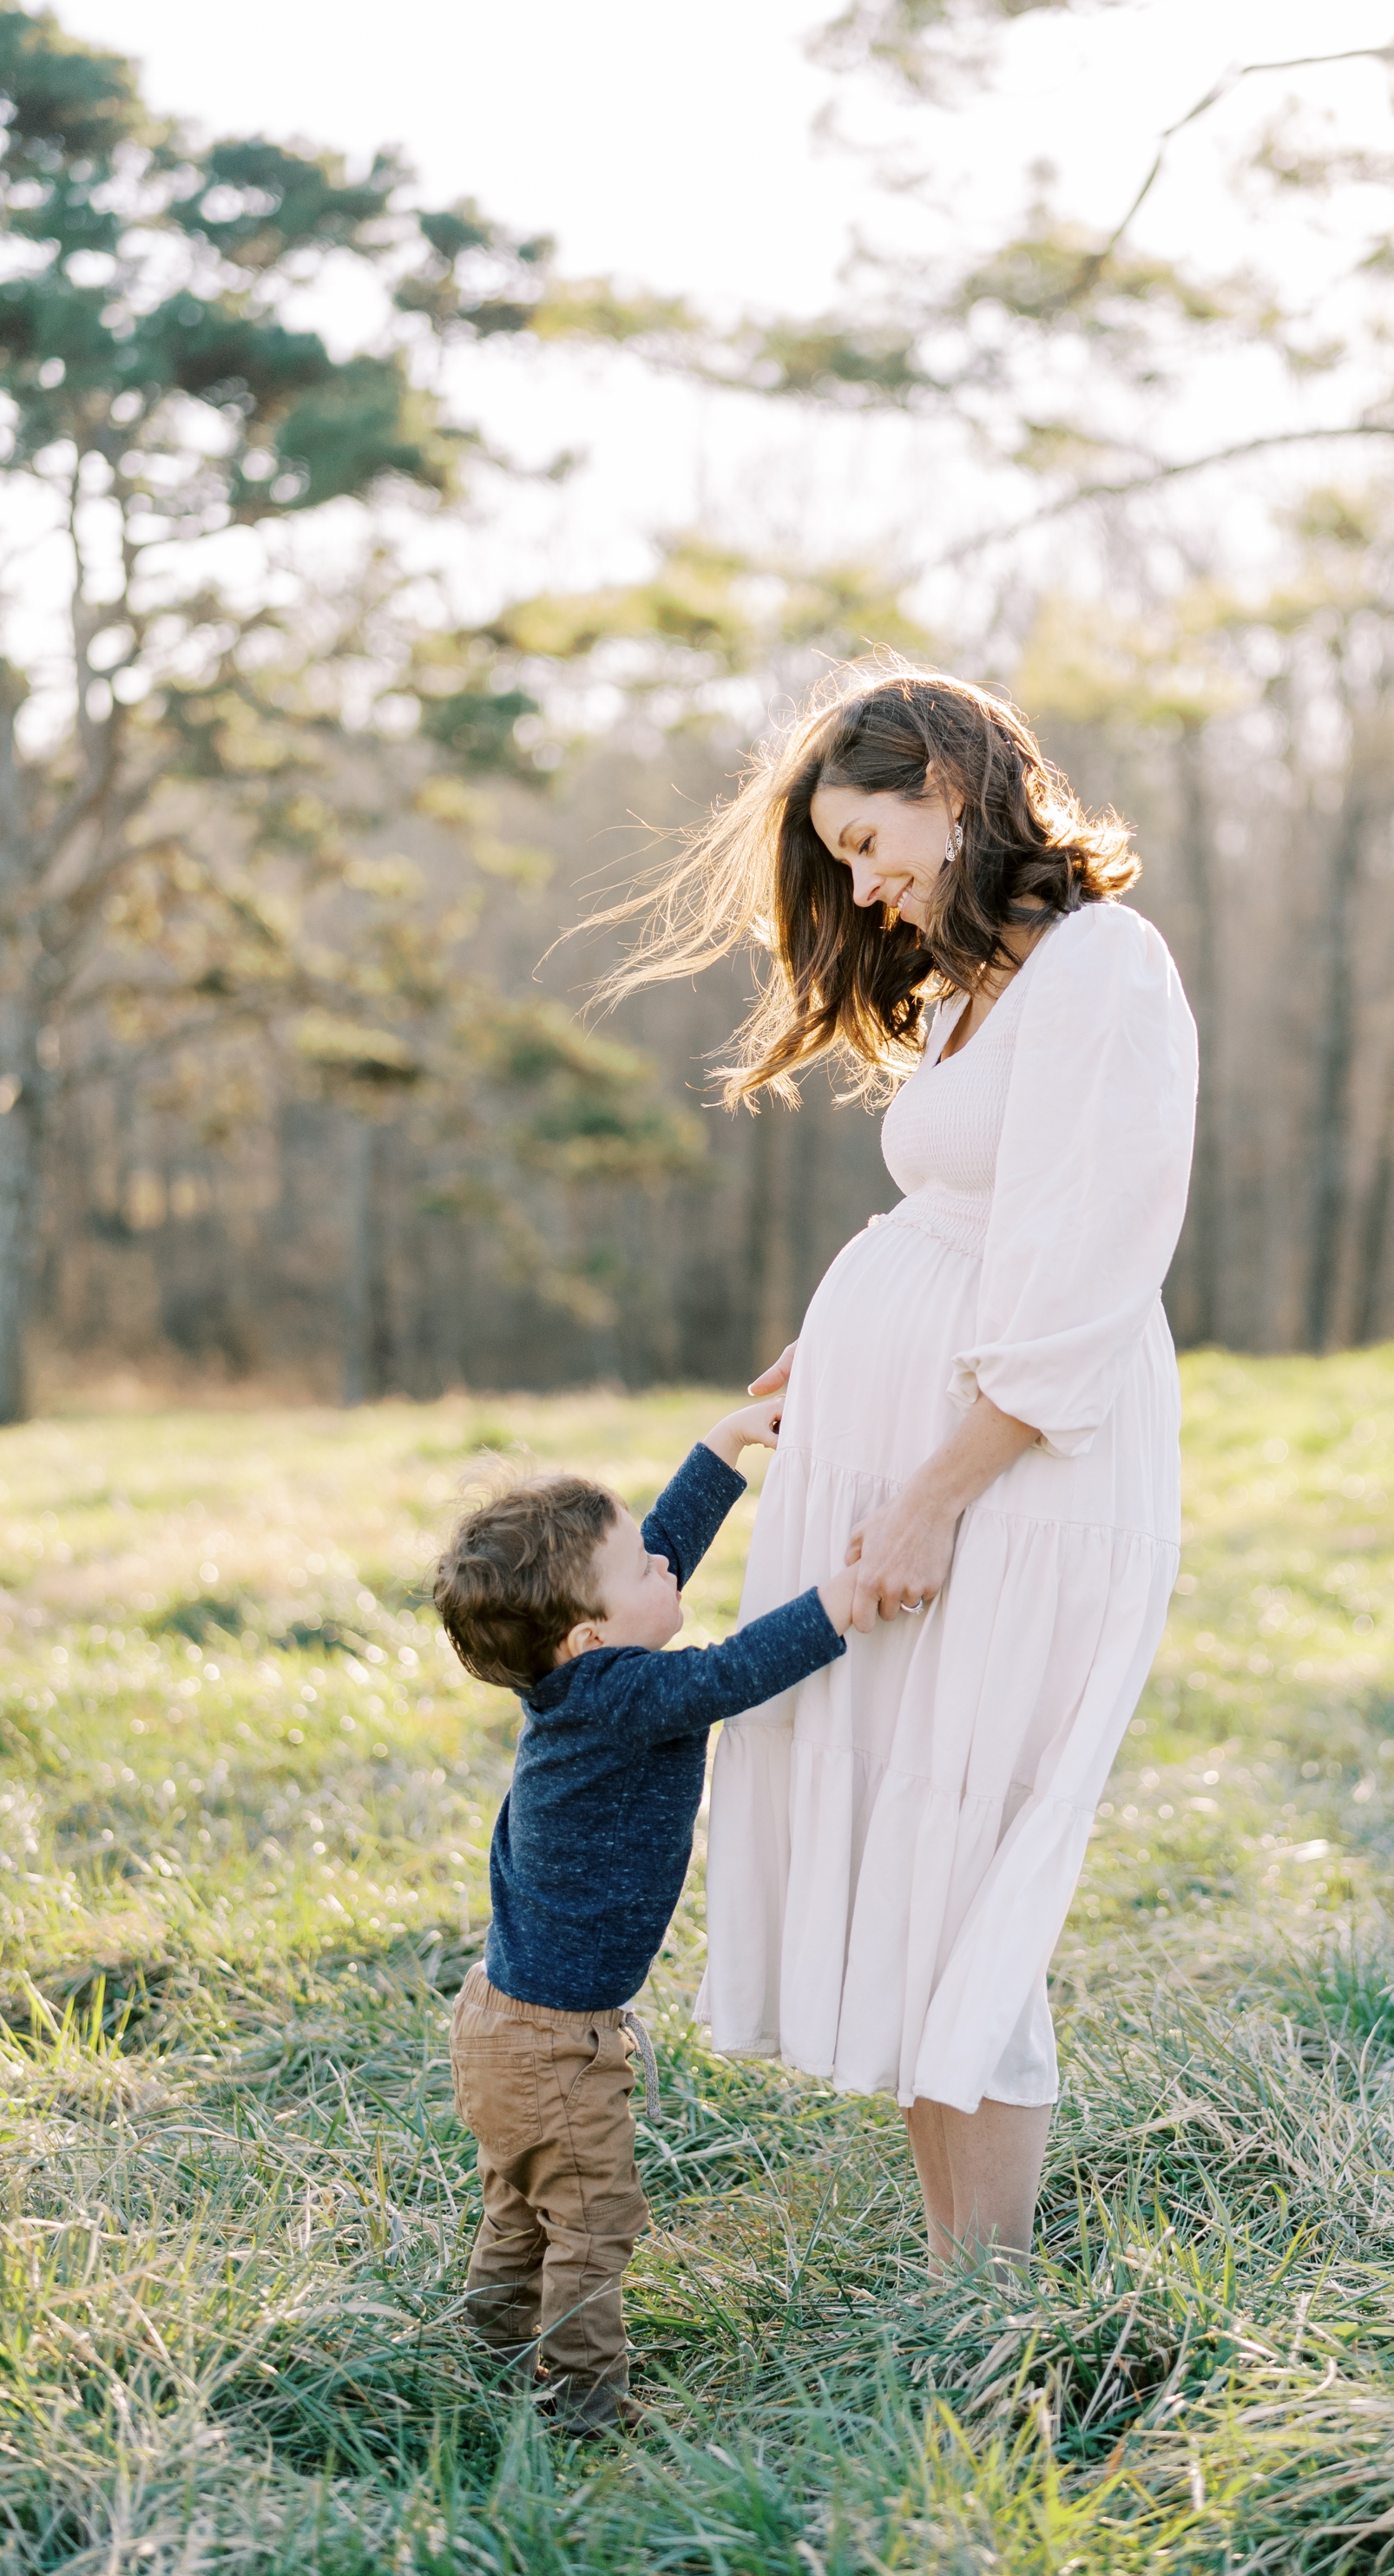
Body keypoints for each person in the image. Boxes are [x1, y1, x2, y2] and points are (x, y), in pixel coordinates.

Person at [590, 666, 1198, 2275]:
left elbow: (1081, 1271)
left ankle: (988, 2294)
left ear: (949, 778)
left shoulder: (1100, 972)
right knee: (917, 1858)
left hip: (1013, 1472)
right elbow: (954, 1216)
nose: (861, 885)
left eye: (869, 840)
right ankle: (953, 2272)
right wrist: (835, 1352)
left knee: (977, 1864)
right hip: (898, 1442)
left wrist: (931, 1486)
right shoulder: (966, 988)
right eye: (842, 859)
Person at [431, 1399, 866, 2431]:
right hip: (551, 2044)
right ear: (590, 1635)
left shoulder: (583, 1678)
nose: (663, 1570)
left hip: (504, 2024)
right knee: (591, 2221)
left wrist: (725, 1448)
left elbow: (657, 1554)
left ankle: (483, 2349)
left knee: (522, 2211)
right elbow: (730, 1673)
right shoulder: (625, 1697)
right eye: (640, 1573)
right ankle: (584, 2405)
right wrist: (840, 1600)